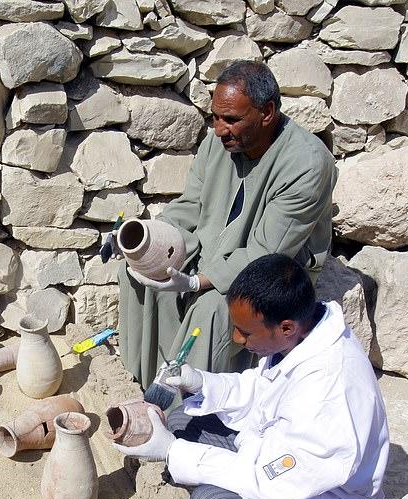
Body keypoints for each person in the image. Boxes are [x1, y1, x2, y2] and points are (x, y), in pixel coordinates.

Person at [116, 254, 390, 499]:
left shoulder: (331, 389)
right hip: (276, 454)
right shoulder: (303, 334)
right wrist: (200, 382)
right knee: (183, 420)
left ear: (286, 328)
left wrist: (174, 452)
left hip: (319, 498)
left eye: (245, 333)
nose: (237, 339)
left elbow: (272, 478)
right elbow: (259, 390)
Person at [115, 60, 337, 388]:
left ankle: (184, 412)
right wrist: (149, 239)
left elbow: (267, 254)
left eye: (231, 119)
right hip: (213, 249)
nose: (220, 129)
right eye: (216, 117)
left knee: (212, 311)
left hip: (274, 277)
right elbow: (190, 208)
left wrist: (197, 282)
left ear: (267, 112)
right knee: (136, 273)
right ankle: (143, 381)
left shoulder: (307, 164)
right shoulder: (218, 142)